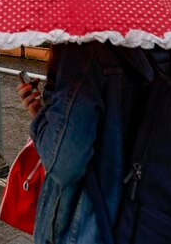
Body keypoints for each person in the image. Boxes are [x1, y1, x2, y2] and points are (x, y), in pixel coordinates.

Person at [16, 42, 157, 243]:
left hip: (85, 224)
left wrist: (40, 119)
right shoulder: (136, 47)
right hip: (127, 211)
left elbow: (63, 165)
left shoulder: (82, 52)